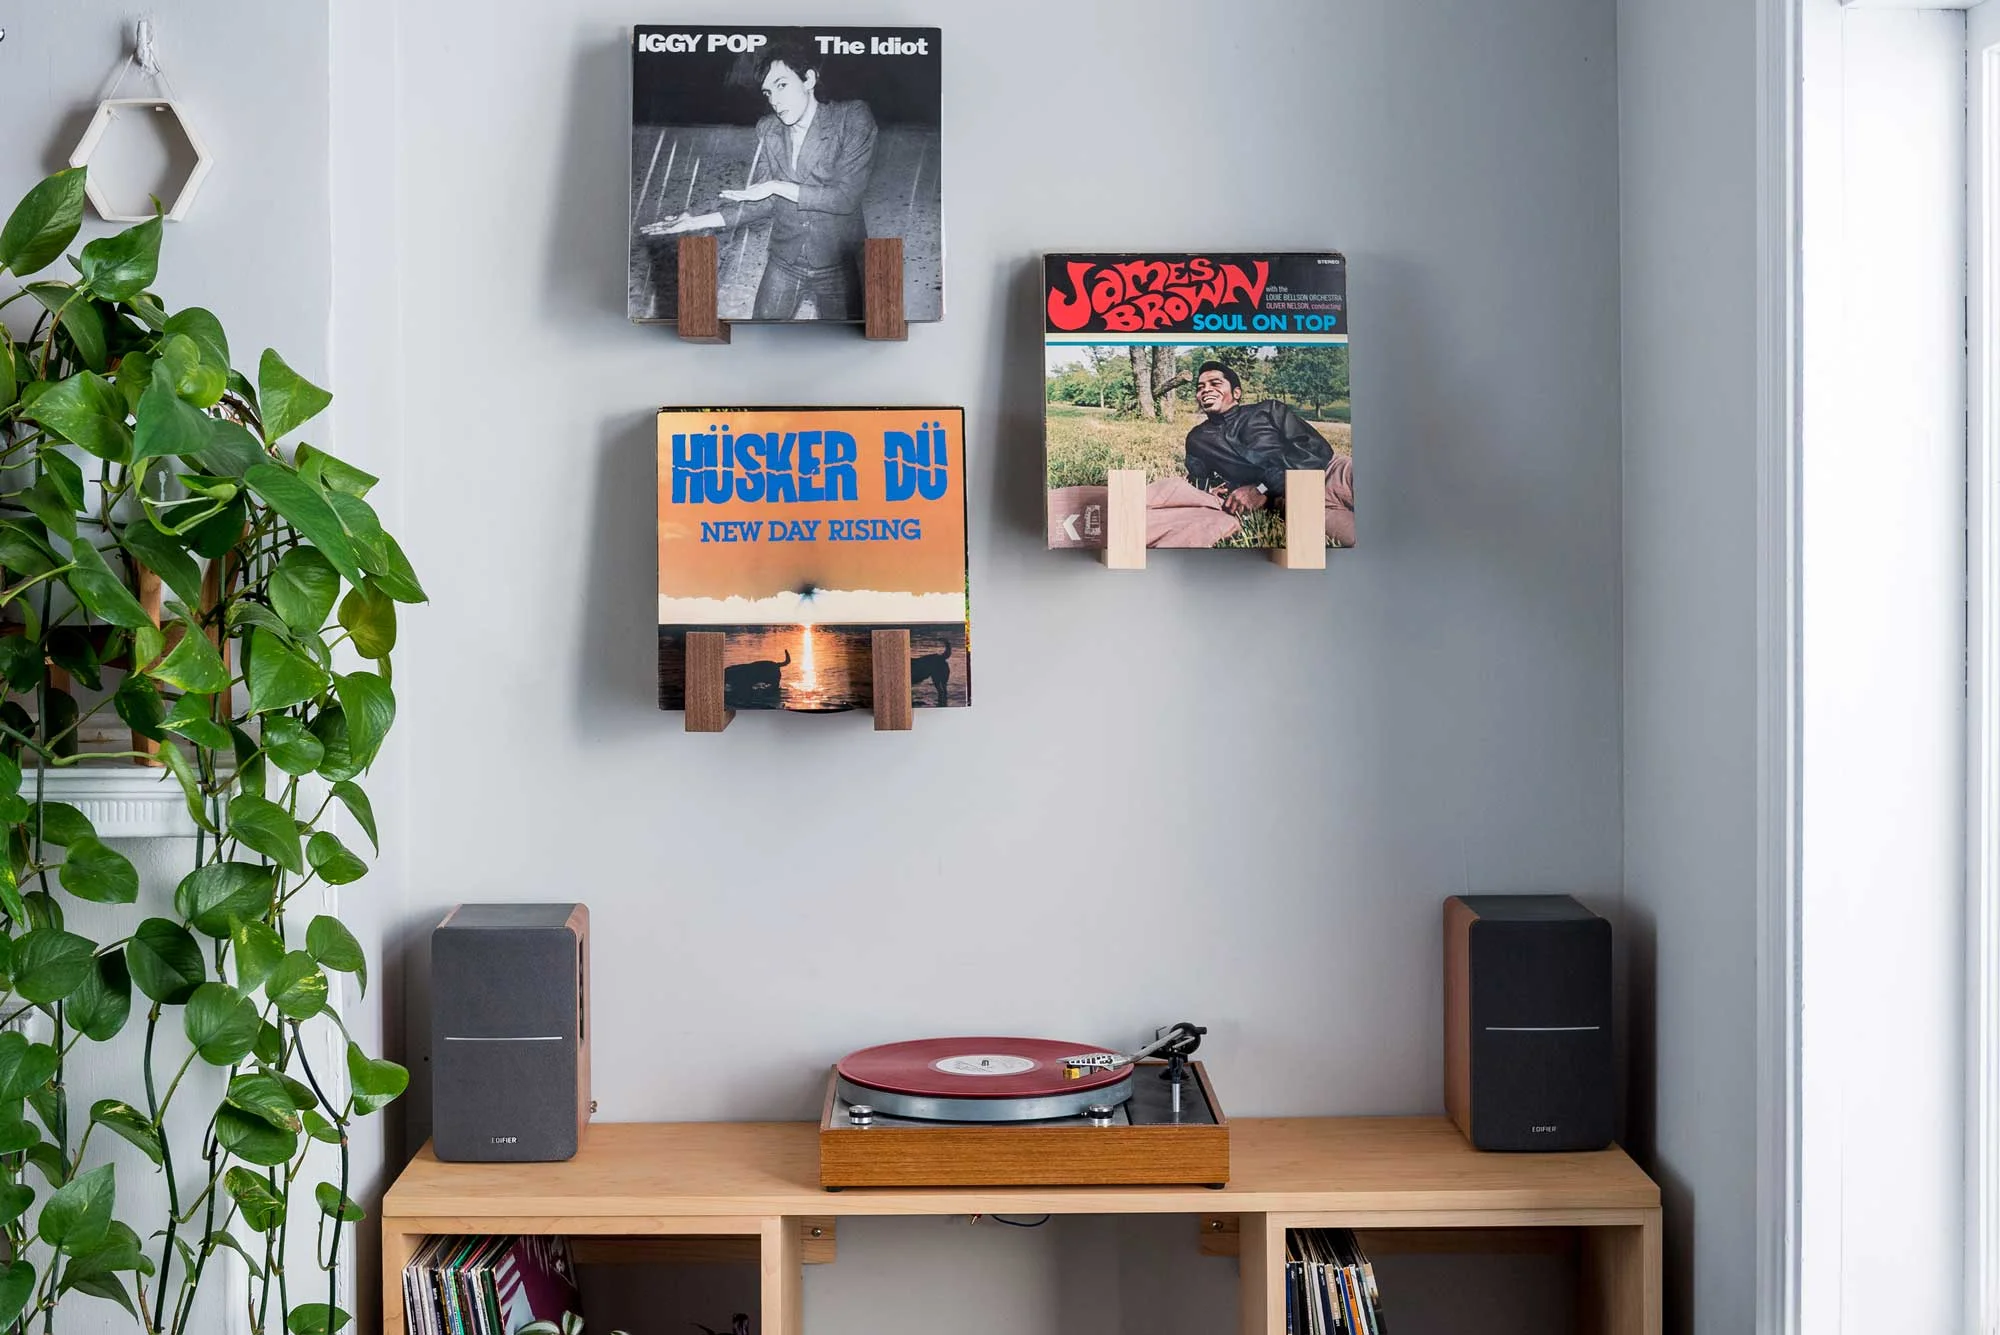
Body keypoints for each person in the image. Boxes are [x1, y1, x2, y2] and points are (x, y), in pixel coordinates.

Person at [645, 39, 877, 320]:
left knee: (843, 346)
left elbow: (845, 197)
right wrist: (696, 221)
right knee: (761, 335)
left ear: (809, 79)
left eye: (782, 85)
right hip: (785, 261)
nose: (775, 100)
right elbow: (760, 203)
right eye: (768, 92)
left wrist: (776, 186)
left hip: (839, 262)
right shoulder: (768, 130)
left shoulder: (851, 118)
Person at [1183, 360, 1356, 545]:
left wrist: (1262, 487)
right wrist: (1212, 492)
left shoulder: (1268, 409)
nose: (1206, 390)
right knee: (1360, 539)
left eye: (1215, 384)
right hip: (1289, 501)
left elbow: (1315, 449)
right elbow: (1199, 484)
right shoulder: (1197, 439)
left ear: (1236, 393)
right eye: (1200, 387)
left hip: (1331, 472)